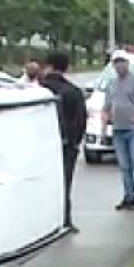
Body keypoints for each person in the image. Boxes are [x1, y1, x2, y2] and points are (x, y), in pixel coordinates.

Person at [39, 51, 87, 232]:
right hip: (66, 145)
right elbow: (81, 120)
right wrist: (74, 142)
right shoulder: (73, 92)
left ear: (49, 66)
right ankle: (64, 220)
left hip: (40, 146)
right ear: (66, 68)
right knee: (64, 183)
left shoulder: (38, 90)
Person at [101, 51, 134, 211]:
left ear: (128, 63)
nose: (119, 65)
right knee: (124, 166)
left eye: (122, 61)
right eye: (116, 62)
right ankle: (129, 196)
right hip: (118, 130)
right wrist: (103, 129)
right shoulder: (112, 84)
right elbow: (106, 108)